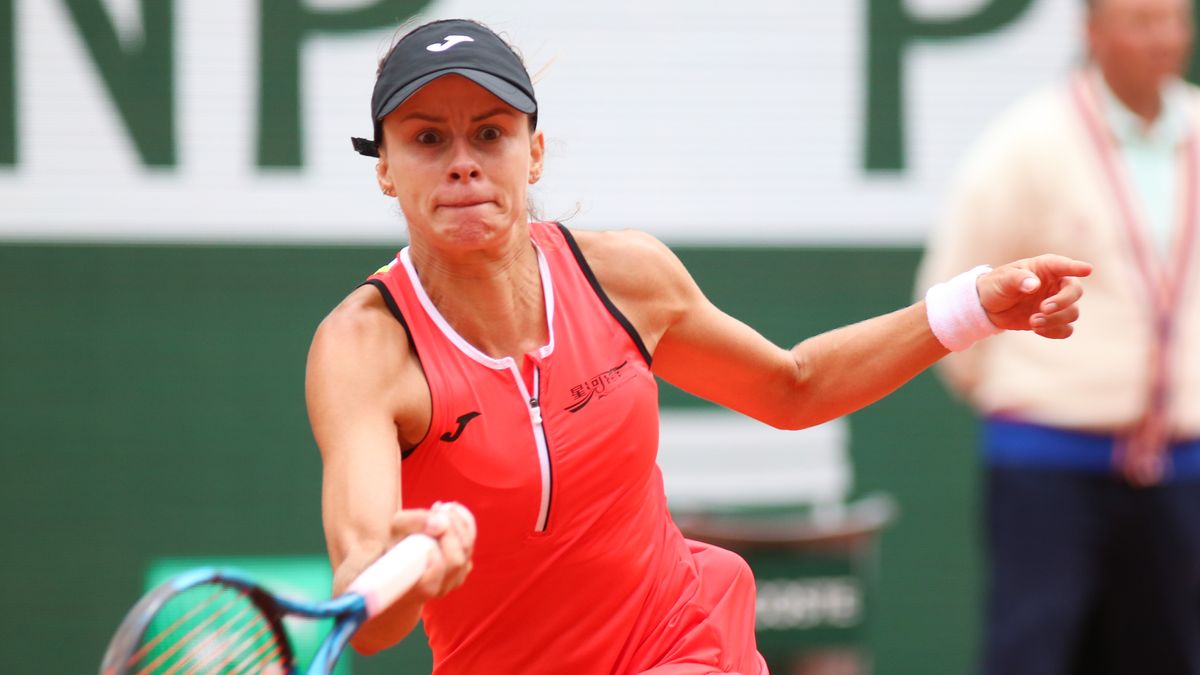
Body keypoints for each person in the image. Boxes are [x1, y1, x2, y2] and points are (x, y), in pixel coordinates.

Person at [307, 18, 1091, 675]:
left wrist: (971, 306)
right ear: (385, 167)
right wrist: (412, 567)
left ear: (533, 152)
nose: (463, 162)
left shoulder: (625, 277)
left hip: (684, 641)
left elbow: (794, 387)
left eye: (490, 133)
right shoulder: (364, 349)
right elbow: (367, 613)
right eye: (426, 138)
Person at [916, 0, 1200, 673]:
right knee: (1032, 654)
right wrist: (1022, 397)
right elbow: (953, 281)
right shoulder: (1027, 142)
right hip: (1048, 460)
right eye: (1140, 21)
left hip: (1184, 466)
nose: (1161, 39)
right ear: (1092, 32)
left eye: (1173, 20)